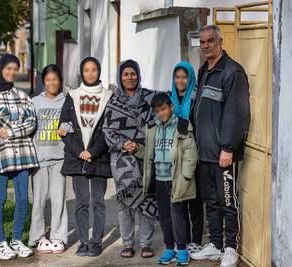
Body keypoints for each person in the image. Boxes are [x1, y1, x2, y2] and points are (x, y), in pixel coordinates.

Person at [190, 25, 250, 267]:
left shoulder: (232, 72)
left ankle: (231, 248)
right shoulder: (204, 70)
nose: (206, 45)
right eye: (203, 42)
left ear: (220, 43)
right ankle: (214, 244)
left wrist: (228, 148)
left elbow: (237, 113)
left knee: (228, 202)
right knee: (211, 202)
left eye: (210, 41)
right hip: (204, 153)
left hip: (223, 154)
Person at [0, 54, 38, 260]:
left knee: (22, 199)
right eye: (8, 68)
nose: (11, 72)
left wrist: (12, 131)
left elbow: (32, 122)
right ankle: (0, 242)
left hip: (22, 156)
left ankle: (17, 240)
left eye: (14, 69)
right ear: (1, 68)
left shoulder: (23, 95)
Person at [134, 92, 198, 265]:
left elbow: (190, 153)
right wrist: (135, 150)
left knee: (178, 215)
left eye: (163, 109)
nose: (161, 113)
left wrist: (185, 176)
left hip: (176, 179)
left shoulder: (182, 125)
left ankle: (182, 250)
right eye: (157, 111)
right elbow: (149, 152)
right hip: (160, 180)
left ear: (170, 107)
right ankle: (170, 248)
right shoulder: (152, 127)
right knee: (164, 216)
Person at [59, 56, 113, 257]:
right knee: (81, 202)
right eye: (87, 70)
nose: (90, 73)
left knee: (98, 202)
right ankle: (83, 241)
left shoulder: (108, 96)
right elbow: (63, 127)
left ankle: (96, 241)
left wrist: (93, 151)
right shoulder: (71, 96)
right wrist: (79, 152)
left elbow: (109, 130)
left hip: (98, 158)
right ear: (82, 72)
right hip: (76, 158)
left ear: (98, 72)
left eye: (94, 70)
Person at [103, 59, 157, 259]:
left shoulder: (150, 98)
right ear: (120, 77)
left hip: (146, 155)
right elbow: (107, 130)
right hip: (122, 160)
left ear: (138, 75)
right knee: (125, 202)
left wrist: (142, 145)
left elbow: (158, 122)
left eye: (133, 73)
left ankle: (145, 243)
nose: (129, 77)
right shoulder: (113, 101)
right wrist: (124, 144)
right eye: (125, 74)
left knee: (147, 200)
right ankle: (127, 243)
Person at [28, 64, 68, 253]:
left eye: (55, 79)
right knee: (39, 200)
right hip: (39, 160)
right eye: (48, 80)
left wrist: (67, 128)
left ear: (60, 81)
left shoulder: (66, 101)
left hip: (59, 158)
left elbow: (71, 123)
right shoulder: (35, 102)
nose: (52, 83)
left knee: (58, 199)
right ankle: (37, 237)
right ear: (43, 82)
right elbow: (28, 127)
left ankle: (58, 237)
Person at [170, 62, 204, 254]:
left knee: (195, 202)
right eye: (177, 77)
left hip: (193, 156)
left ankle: (196, 240)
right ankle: (182, 240)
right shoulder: (170, 100)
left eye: (184, 77)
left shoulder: (196, 98)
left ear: (190, 78)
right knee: (179, 201)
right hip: (175, 158)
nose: (180, 80)